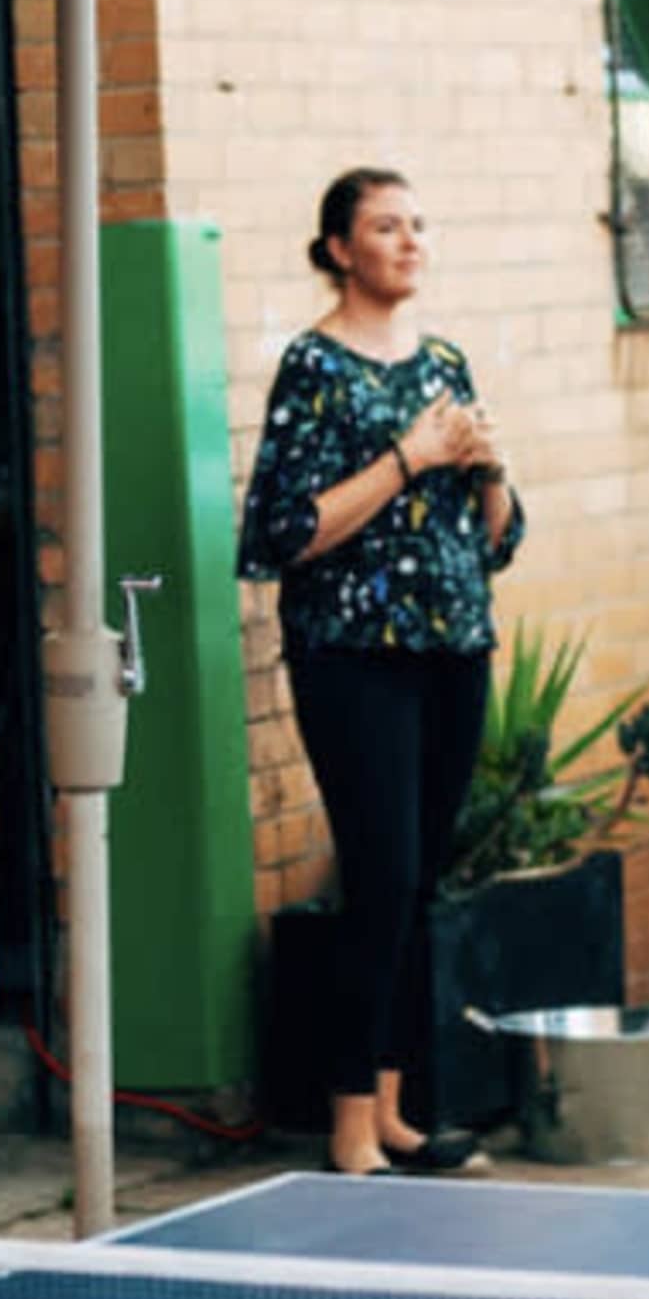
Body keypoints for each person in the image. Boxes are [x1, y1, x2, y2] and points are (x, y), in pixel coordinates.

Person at [237, 166, 523, 1177]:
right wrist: (408, 457)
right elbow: (283, 530)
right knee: (381, 877)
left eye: (418, 224)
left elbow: (497, 537)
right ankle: (350, 1125)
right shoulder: (314, 367)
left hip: (454, 644)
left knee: (419, 885)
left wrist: (484, 467)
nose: (409, 241)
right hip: (354, 655)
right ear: (337, 250)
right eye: (385, 227)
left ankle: (399, 1112)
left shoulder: (444, 362)